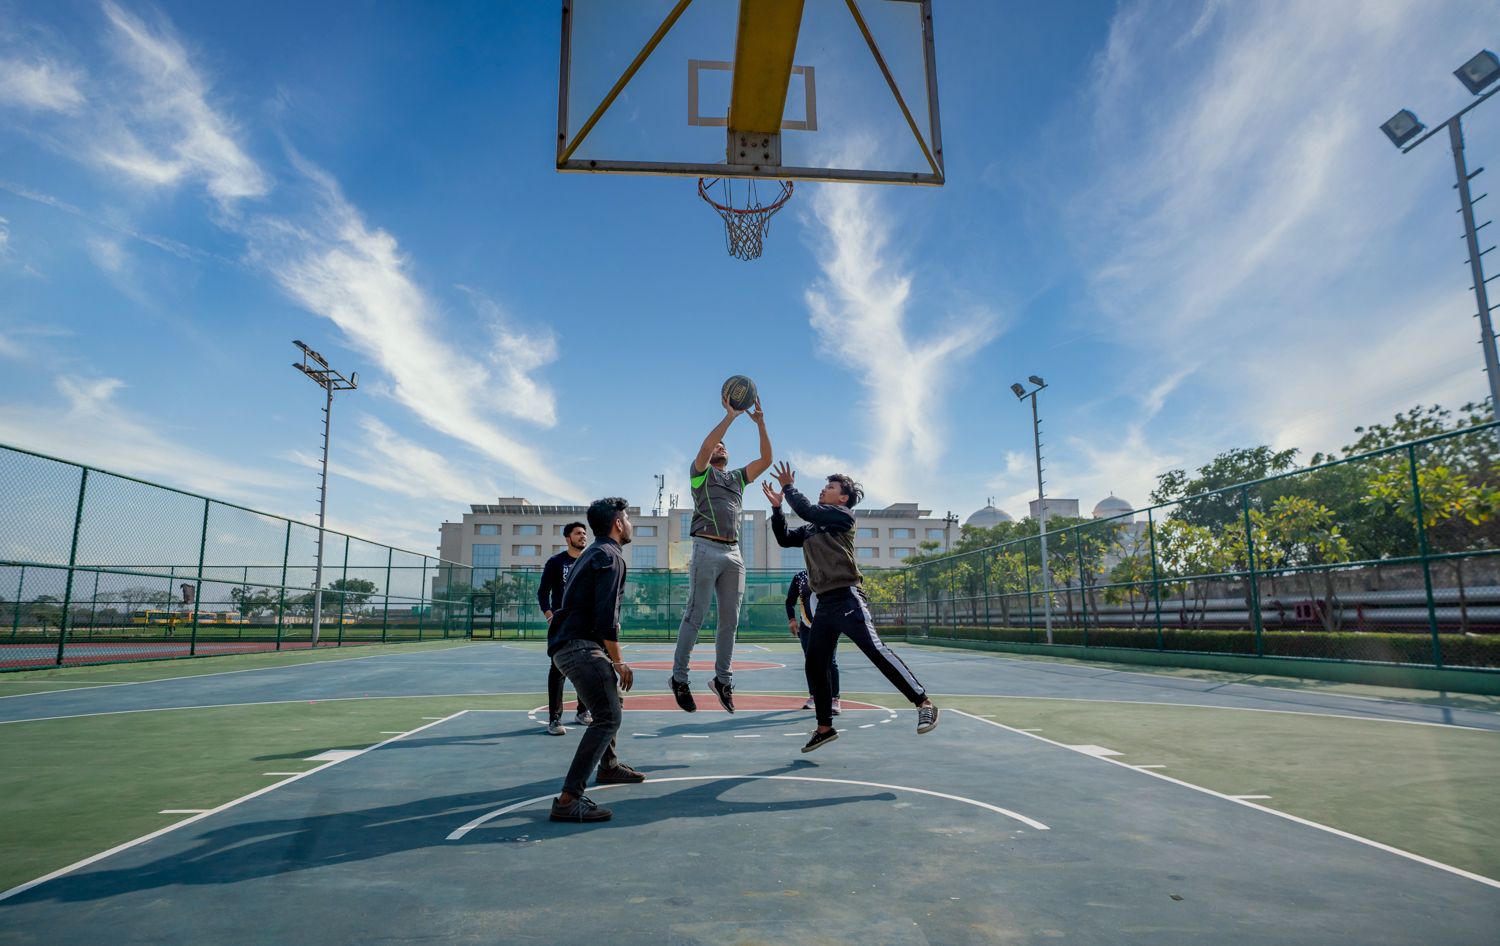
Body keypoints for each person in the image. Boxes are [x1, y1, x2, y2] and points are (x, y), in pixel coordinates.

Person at [763, 463, 938, 753]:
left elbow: (809, 510)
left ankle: (924, 702)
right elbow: (783, 539)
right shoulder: (811, 528)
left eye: (830, 487)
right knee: (815, 663)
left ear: (843, 498)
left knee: (875, 651)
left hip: (847, 597)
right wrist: (778, 510)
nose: (824, 489)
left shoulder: (842, 517)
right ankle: (824, 727)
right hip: (825, 606)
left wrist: (789, 487)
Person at [669, 395, 773, 714]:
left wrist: (760, 423)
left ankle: (723, 680)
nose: (720, 446)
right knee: (695, 615)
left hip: (734, 554)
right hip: (706, 547)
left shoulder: (738, 479)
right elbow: (704, 448)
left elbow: (766, 459)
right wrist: (730, 416)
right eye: (718, 445)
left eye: (724, 445)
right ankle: (679, 678)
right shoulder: (701, 473)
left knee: (730, 620)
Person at [547, 498, 645, 823]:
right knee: (607, 717)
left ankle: (610, 766)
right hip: (578, 646)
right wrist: (619, 661)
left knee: (610, 696)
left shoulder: (594, 552)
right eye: (627, 518)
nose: (630, 523)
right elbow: (607, 617)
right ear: (618, 523)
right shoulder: (610, 556)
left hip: (570, 644)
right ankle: (568, 799)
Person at [538, 522, 592, 735]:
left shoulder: (590, 561)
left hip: (586, 623)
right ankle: (554, 719)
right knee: (557, 671)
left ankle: (582, 711)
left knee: (586, 668)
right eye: (578, 533)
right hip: (562, 624)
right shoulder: (556, 562)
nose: (583, 536)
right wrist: (549, 614)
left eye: (585, 533)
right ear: (568, 538)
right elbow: (543, 592)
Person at [786, 569, 839, 714]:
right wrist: (792, 620)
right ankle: (814, 696)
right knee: (811, 662)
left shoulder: (831, 573)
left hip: (829, 625)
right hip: (807, 627)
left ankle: (834, 699)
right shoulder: (800, 577)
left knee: (830, 661)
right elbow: (790, 601)